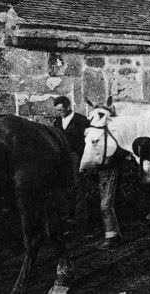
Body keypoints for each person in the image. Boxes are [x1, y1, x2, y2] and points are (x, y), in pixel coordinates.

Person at [52, 96, 91, 225]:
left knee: (78, 183)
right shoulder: (57, 122)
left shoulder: (81, 120)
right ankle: (66, 214)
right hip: (62, 157)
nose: (60, 113)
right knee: (64, 184)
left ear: (68, 107)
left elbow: (87, 140)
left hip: (76, 155)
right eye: (58, 111)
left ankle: (80, 216)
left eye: (62, 110)